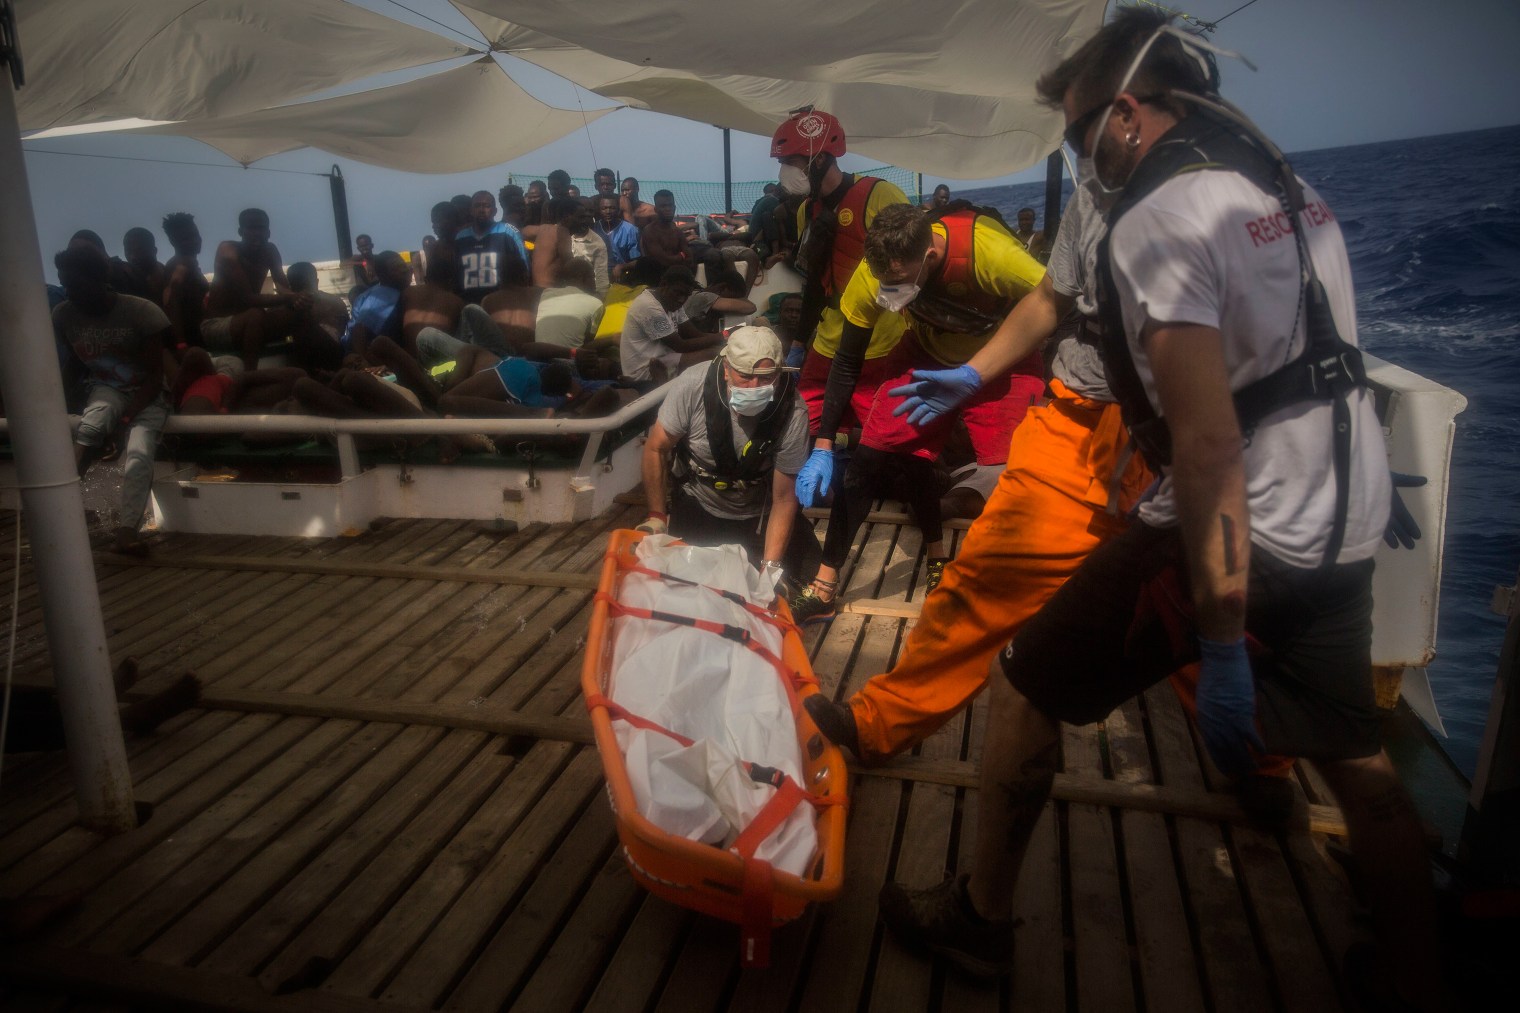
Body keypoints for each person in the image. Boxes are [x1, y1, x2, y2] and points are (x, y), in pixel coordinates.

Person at [875, 14, 1445, 1012]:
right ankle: (1411, 971)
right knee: (1354, 752)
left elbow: (1207, 441)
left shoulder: (1159, 218)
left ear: (1126, 113)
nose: (1076, 153)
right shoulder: (1284, 187)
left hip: (1244, 518)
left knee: (1020, 688)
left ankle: (978, 917)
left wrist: (1218, 637)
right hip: (1343, 510)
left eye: (1075, 131)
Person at [788, 201, 1045, 623]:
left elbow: (1059, 305)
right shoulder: (875, 275)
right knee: (871, 460)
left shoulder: (993, 255)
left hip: (1005, 361)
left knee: (1019, 477)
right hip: (927, 353)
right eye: (884, 283)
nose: (890, 294)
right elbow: (847, 360)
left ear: (929, 256)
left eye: (901, 282)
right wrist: (822, 444)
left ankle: (1021, 599)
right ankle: (825, 588)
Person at [769, 107, 910, 472]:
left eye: (793, 161)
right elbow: (815, 282)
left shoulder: (880, 195)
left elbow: (912, 269)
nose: (787, 171)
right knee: (805, 420)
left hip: (881, 337)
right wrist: (800, 343)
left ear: (820, 159)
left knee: (887, 436)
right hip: (830, 335)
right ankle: (832, 463)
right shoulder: (807, 211)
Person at [637, 324, 820, 583]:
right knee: (680, 584)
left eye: (767, 377)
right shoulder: (692, 385)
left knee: (799, 583)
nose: (754, 386)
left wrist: (770, 568)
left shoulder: (794, 412)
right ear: (725, 369)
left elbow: (784, 499)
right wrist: (656, 515)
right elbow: (656, 448)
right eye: (744, 375)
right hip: (699, 503)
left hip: (758, 512)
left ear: (780, 374)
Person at [52, 246, 170, 555]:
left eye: (76, 285)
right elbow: (77, 364)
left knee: (140, 453)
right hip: (106, 387)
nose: (69, 292)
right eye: (65, 285)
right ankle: (59, 514)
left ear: (99, 280)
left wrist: (126, 420)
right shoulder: (64, 315)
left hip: (148, 393)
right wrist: (58, 406)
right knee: (93, 423)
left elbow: (156, 376)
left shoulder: (142, 313)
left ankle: (128, 530)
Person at [203, 208, 327, 370]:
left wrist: (298, 298)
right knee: (255, 315)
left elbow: (283, 288)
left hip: (250, 323)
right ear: (241, 231)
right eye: (252, 228)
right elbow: (248, 298)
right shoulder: (228, 251)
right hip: (217, 326)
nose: (257, 233)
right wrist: (289, 297)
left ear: (268, 232)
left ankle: (315, 368)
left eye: (261, 228)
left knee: (300, 310)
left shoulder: (270, 250)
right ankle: (249, 377)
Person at [619, 266, 723, 384]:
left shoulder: (672, 301)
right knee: (715, 355)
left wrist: (724, 338)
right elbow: (680, 346)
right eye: (678, 293)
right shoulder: (648, 306)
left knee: (720, 350)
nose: (682, 299)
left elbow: (696, 334)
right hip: (644, 370)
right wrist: (724, 336)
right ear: (664, 285)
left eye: (686, 296)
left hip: (665, 358)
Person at [455, 190, 529, 305]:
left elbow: (525, 268)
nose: (481, 210)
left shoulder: (509, 232)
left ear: (495, 211)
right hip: (469, 305)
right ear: (471, 211)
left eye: (486, 206)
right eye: (477, 206)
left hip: (502, 304)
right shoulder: (461, 237)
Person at [160, 212, 208, 352]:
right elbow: (170, 301)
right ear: (173, 242)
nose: (195, 241)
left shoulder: (187, 262)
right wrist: (180, 343)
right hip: (191, 339)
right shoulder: (183, 264)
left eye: (195, 235)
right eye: (186, 238)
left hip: (195, 335)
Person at [535, 259, 605, 350]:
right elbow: (588, 343)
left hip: (538, 357)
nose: (595, 282)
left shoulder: (547, 293)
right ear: (581, 278)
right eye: (592, 277)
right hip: (569, 360)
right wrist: (612, 339)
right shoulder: (595, 303)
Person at [634, 189, 692, 286]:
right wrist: (681, 256)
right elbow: (663, 260)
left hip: (679, 276)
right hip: (657, 280)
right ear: (656, 209)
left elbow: (689, 257)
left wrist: (681, 258)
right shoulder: (650, 231)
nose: (668, 209)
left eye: (670, 205)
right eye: (663, 206)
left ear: (674, 207)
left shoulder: (677, 231)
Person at [564, 198, 611, 295]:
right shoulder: (561, 235)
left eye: (591, 211)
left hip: (584, 294)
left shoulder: (597, 243)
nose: (588, 214)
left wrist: (601, 299)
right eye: (584, 210)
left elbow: (601, 278)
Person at [593, 192, 643, 281]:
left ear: (619, 210)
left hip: (622, 276)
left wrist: (622, 267)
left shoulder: (630, 230)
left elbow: (638, 261)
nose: (608, 212)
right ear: (599, 210)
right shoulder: (594, 228)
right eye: (604, 208)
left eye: (612, 208)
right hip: (597, 275)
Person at [109, 227, 164, 302]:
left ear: (154, 251)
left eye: (140, 250)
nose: (133, 257)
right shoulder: (122, 277)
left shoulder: (170, 275)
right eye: (128, 251)